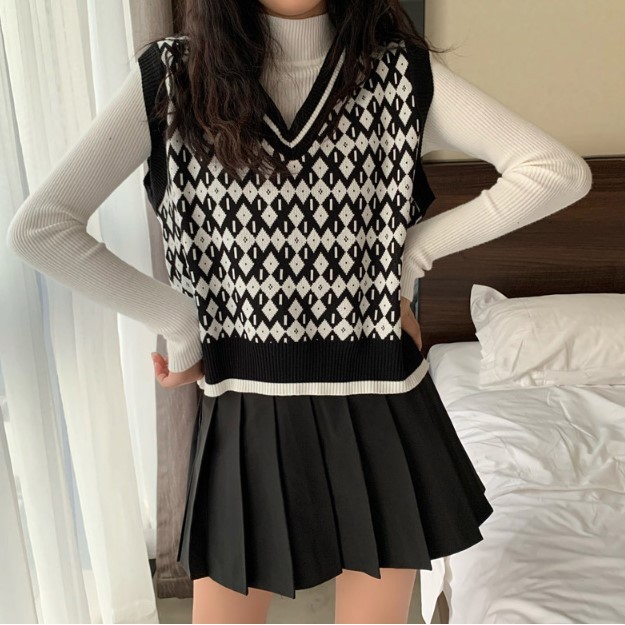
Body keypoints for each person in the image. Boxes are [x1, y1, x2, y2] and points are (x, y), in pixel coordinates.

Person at [6, 0, 592, 623]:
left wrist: (407, 257)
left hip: (381, 400)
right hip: (247, 411)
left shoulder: (399, 74)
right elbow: (41, 227)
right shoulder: (174, 79)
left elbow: (556, 172)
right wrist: (180, 322)